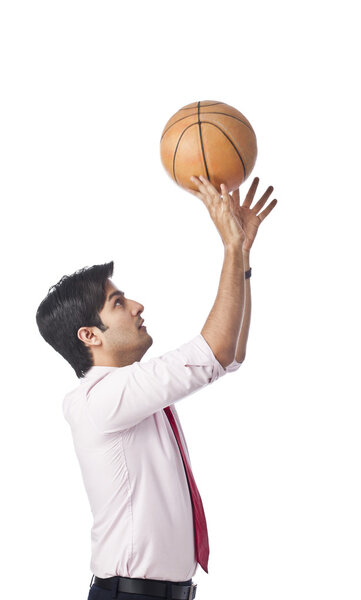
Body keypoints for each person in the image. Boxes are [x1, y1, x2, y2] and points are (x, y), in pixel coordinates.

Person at [36, 175, 277, 600]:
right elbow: (215, 351)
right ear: (90, 335)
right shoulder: (100, 399)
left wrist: (243, 257)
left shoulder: (129, 392)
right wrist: (229, 246)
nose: (137, 306)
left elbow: (231, 353)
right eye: (118, 303)